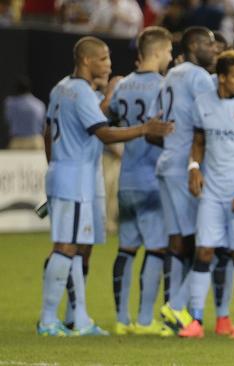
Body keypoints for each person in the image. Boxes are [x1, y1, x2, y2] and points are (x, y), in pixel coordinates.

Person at [37, 36, 172, 336]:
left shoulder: (61, 88)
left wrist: (54, 165)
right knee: (66, 247)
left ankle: (78, 317)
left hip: (72, 176)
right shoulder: (82, 93)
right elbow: (104, 134)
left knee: (80, 248)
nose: (109, 64)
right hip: (74, 178)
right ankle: (47, 320)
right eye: (104, 58)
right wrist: (144, 129)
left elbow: (47, 131)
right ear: (86, 60)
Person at [168, 50, 234, 339]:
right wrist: (193, 167)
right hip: (211, 192)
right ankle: (197, 321)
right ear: (222, 78)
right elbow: (198, 141)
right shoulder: (203, 104)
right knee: (204, 252)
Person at [108, 26, 174, 336]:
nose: (171, 57)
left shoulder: (122, 85)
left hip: (126, 179)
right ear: (158, 52)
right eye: (169, 52)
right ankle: (145, 320)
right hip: (152, 179)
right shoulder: (165, 86)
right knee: (157, 250)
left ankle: (122, 320)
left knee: (125, 251)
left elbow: (104, 121)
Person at [151, 26, 217, 324]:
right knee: (204, 242)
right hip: (185, 168)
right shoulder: (198, 76)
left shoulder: (170, 76)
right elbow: (212, 122)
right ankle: (182, 309)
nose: (214, 49)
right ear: (193, 44)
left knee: (178, 241)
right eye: (209, 44)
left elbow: (153, 128)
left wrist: (172, 142)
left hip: (165, 164)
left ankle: (171, 314)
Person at [4, 76, 46, 150]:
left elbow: (7, 119)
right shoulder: (39, 104)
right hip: (35, 142)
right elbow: (43, 124)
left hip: (17, 142)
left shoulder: (10, 103)